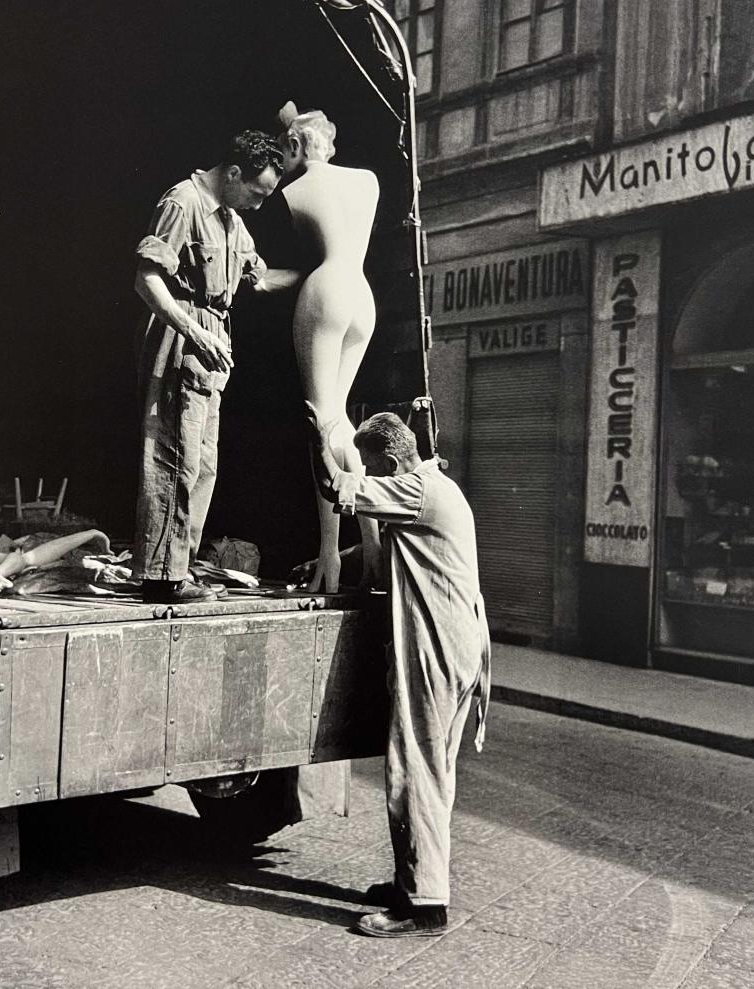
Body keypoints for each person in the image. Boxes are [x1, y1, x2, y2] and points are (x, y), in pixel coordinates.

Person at [305, 403, 492, 938]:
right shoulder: (435, 489)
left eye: (372, 468)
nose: (371, 479)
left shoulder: (416, 491)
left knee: (416, 768)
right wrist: (331, 557)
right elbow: (398, 546)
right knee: (433, 771)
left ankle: (425, 905)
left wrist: (320, 438)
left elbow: (334, 486)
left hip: (437, 647)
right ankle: (413, 881)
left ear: (389, 460)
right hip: (458, 645)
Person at [133, 131, 299, 603]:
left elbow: (259, 279)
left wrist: (317, 272)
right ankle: (161, 579)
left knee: (203, 465)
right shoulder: (183, 203)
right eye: (257, 192)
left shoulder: (230, 218)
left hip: (211, 344)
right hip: (183, 337)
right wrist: (195, 331)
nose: (259, 204)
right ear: (232, 174)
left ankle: (176, 571)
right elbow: (146, 279)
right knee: (174, 459)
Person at [277, 102, 383, 593]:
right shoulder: (368, 181)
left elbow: (306, 249)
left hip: (325, 290)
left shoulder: (295, 189)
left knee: (320, 423)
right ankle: (373, 544)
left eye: (285, 149)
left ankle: (330, 557)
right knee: (342, 421)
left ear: (297, 145)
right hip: (363, 296)